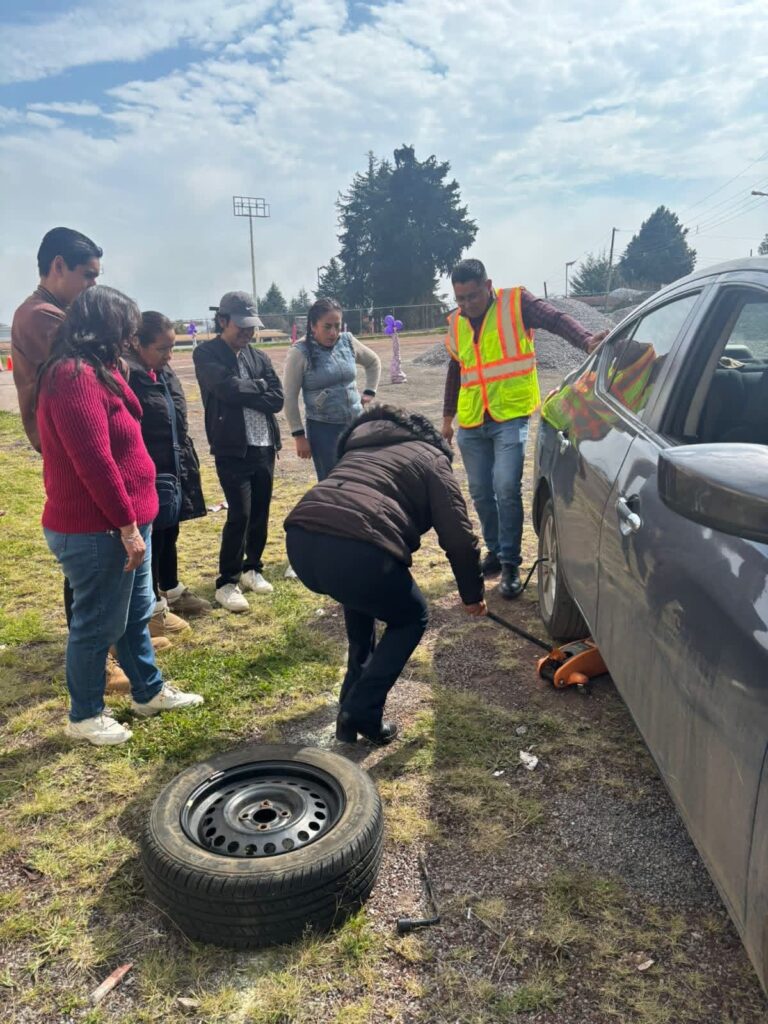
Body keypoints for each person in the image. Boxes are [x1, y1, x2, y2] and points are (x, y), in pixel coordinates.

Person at [36, 286, 204, 745]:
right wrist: (127, 527)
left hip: (126, 520)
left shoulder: (101, 370)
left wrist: (134, 521)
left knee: (133, 614)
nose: (130, 339)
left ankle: (148, 691)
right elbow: (95, 461)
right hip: (99, 527)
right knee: (98, 624)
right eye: (125, 330)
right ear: (103, 329)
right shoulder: (72, 376)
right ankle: (85, 714)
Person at [284, 404, 485, 746]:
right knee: (412, 617)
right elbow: (458, 538)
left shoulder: (357, 448)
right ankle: (362, 709)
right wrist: (472, 594)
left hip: (302, 541)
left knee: (358, 599)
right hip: (358, 548)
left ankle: (348, 714)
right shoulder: (432, 457)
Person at [441, 259, 609, 599]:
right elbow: (456, 369)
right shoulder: (457, 322)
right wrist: (447, 418)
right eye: (460, 299)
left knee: (505, 487)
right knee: (480, 492)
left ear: (488, 286)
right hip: (472, 420)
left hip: (510, 415)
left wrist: (586, 340)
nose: (467, 305)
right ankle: (494, 550)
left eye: (472, 296)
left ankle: (510, 564)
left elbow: (555, 319)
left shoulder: (516, 303)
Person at [9, 228, 131, 692]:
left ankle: (111, 644)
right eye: (88, 275)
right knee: (88, 552)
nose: (93, 286)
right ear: (57, 266)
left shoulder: (55, 312)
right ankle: (96, 661)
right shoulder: (41, 316)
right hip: (67, 446)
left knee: (101, 550)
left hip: (73, 438)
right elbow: (104, 364)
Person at [193, 291, 284, 613]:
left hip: (264, 445)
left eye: (251, 326)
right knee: (240, 514)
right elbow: (225, 389)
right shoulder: (207, 353)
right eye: (241, 326)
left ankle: (252, 567)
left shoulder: (258, 357)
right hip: (232, 447)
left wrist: (250, 389)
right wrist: (259, 387)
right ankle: (227, 582)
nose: (248, 332)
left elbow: (277, 398)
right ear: (223, 321)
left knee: (260, 511)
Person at [125, 311, 211, 631]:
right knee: (154, 537)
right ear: (137, 343)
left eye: (172, 347)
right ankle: (153, 610)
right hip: (148, 467)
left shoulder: (159, 370)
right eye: (162, 348)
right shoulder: (129, 375)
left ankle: (170, 588)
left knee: (169, 530)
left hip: (171, 464)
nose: (169, 355)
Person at [283, 297, 381, 481]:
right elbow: (289, 397)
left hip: (356, 424)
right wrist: (298, 435)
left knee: (362, 478)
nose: (333, 332)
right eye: (327, 327)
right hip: (324, 431)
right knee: (334, 483)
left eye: (337, 326)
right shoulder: (300, 352)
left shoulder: (347, 341)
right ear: (313, 325)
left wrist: (369, 391)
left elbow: (373, 362)